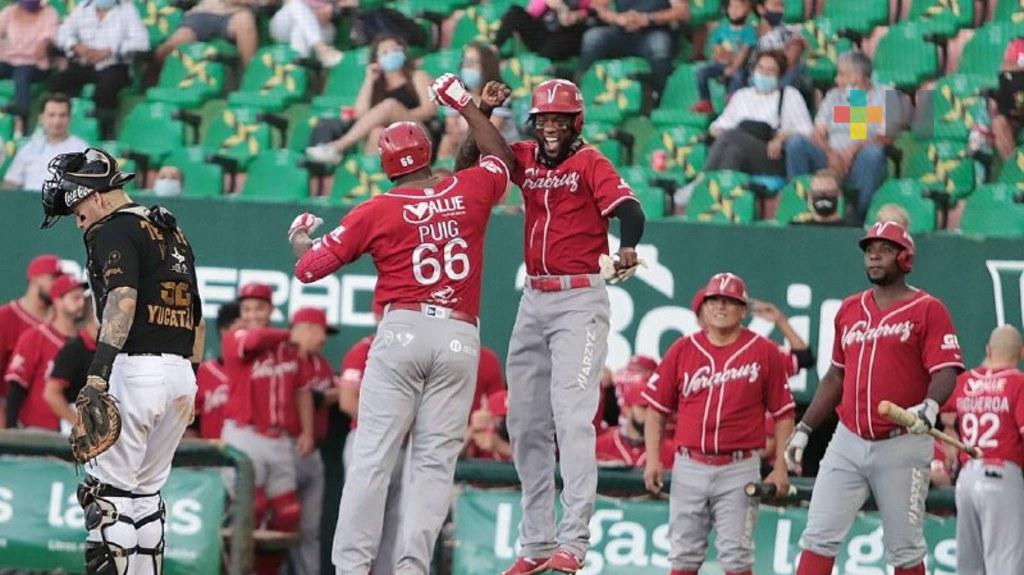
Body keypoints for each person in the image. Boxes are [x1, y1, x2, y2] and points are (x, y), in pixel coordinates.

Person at [288, 73, 515, 574]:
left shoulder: (378, 207)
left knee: (372, 456)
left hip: (404, 329)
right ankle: (412, 569)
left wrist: (300, 236)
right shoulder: (470, 188)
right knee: (433, 464)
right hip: (460, 336)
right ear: (429, 152)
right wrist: (467, 106)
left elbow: (308, 269)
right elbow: (502, 158)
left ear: (386, 164)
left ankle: (352, 568)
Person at [456, 78, 646, 575]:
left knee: (571, 416)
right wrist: (481, 111)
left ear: (576, 121)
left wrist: (627, 246)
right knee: (523, 422)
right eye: (544, 120)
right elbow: (468, 161)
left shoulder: (590, 161)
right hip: (535, 297)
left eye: (561, 119)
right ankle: (536, 543)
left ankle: (573, 542)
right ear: (534, 123)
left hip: (579, 298)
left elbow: (629, 208)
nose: (552, 127)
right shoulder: (526, 157)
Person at [40, 146, 204, 575]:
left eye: (77, 212)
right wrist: (191, 381)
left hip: (135, 367)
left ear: (94, 197)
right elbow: (198, 318)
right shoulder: (171, 230)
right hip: (181, 374)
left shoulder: (114, 229)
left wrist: (97, 374)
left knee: (107, 496)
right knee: (146, 497)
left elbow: (123, 299)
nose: (78, 222)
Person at [784, 221, 964, 575]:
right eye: (869, 250)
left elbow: (946, 369)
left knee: (905, 549)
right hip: (847, 439)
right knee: (818, 536)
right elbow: (836, 375)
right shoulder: (850, 309)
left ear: (905, 256)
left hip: (902, 441)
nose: (874, 255)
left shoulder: (928, 308)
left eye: (884, 248)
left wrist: (930, 405)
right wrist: (806, 426)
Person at [642, 272, 795, 575]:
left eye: (730, 301)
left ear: (743, 310)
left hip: (738, 467)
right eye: (714, 300)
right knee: (683, 556)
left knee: (737, 556)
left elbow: (784, 414)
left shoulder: (765, 351)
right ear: (704, 306)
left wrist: (781, 465)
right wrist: (654, 458)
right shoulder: (682, 349)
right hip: (689, 463)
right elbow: (656, 409)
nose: (720, 307)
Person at [221, 282, 314, 572]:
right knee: (253, 508)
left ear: (271, 309)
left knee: (288, 514)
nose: (252, 314)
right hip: (244, 436)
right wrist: (292, 334)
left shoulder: (288, 348)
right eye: (247, 308)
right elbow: (253, 341)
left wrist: (308, 431)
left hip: (280, 439)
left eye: (259, 308)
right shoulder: (235, 335)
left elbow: (302, 390)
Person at [784, 51, 904, 224]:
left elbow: (888, 137)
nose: (836, 80)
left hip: (861, 160)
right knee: (796, 144)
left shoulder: (890, 95)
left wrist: (854, 149)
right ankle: (799, 205)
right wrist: (831, 154)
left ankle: (857, 217)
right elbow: (817, 132)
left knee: (874, 153)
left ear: (856, 76)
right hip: (829, 158)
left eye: (841, 74)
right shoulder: (833, 96)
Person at [942, 324, 1024, 575]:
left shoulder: (964, 380)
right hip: (1001, 474)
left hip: (967, 478)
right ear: (1020, 353)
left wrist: (951, 449)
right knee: (1005, 565)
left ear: (988, 349)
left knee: (970, 566)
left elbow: (947, 423)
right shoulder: (1018, 382)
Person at [306, 34, 436, 164]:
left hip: (418, 134)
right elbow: (360, 114)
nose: (391, 54)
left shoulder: (418, 76)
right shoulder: (376, 85)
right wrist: (369, 80)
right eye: (385, 52)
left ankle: (338, 147)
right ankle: (373, 177)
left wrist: (392, 116)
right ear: (377, 60)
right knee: (376, 132)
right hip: (391, 138)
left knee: (390, 106)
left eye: (395, 49)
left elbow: (429, 110)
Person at [704, 50, 813, 176]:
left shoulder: (789, 95)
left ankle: (702, 180)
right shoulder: (742, 95)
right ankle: (722, 190)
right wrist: (717, 130)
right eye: (760, 68)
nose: (764, 74)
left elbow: (808, 130)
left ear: (779, 75)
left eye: (770, 70)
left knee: (732, 135)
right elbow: (719, 124)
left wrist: (781, 137)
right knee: (732, 152)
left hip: (771, 156)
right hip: (741, 151)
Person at [50, 0, 149, 138]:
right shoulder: (83, 7)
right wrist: (75, 46)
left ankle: (104, 133)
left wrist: (109, 51)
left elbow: (142, 42)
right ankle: (68, 128)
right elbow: (62, 34)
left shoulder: (128, 10)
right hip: (85, 63)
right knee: (59, 82)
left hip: (113, 65)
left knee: (105, 89)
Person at [288, 307, 337, 575]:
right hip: (285, 446)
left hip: (313, 451)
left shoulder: (320, 363)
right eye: (321, 331)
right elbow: (304, 396)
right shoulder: (284, 355)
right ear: (306, 327)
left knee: (309, 529)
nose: (324, 338)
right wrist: (332, 395)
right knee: (280, 525)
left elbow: (330, 392)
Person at [4, 274, 86, 430]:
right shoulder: (35, 337)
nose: (82, 303)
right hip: (37, 431)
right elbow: (17, 387)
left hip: (76, 435)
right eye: (75, 298)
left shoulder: (85, 342)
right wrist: (11, 430)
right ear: (58, 301)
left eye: (83, 298)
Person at [0, 253, 61, 427]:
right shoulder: (6, 318)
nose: (58, 284)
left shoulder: (62, 321)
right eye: (53, 278)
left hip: (52, 420)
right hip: (12, 416)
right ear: (35, 279)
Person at [580, 0, 689, 97]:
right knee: (592, 38)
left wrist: (647, 18)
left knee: (659, 46)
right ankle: (589, 92)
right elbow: (597, 5)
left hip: (653, 30)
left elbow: (683, 12)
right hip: (622, 31)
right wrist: (616, 18)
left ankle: (662, 98)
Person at [436, 42, 518, 160]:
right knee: (446, 141)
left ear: (486, 66)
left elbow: (490, 134)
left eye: (472, 63)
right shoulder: (456, 92)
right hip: (467, 146)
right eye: (465, 63)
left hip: (499, 151)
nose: (466, 68)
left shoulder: (499, 94)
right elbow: (452, 131)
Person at [2, 94, 89, 191]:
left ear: (70, 118)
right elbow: (10, 183)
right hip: (27, 203)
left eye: (62, 115)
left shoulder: (82, 150)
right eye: (51, 115)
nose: (57, 121)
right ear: (41, 118)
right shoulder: (29, 148)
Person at [43, 293, 98, 431]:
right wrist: (80, 424)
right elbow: (51, 393)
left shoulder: (114, 349)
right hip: (76, 428)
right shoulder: (75, 348)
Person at [692, 0, 757, 113]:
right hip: (721, 64)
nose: (734, 11)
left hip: (740, 66)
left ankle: (732, 100)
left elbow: (744, 52)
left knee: (738, 76)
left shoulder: (749, 31)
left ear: (747, 10)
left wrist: (733, 67)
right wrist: (719, 57)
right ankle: (705, 101)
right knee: (701, 72)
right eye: (731, 7)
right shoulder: (722, 29)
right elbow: (716, 49)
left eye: (738, 7)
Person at [0, 0, 59, 123]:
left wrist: (44, 45)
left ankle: (22, 112)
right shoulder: (10, 12)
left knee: (22, 74)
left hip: (35, 63)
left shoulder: (49, 14)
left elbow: (46, 42)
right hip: (10, 60)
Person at [156, 0, 260, 69]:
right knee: (174, 43)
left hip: (235, 15)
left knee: (245, 22)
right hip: (202, 14)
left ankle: (251, 79)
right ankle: (150, 74)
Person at [193, 302, 241, 440]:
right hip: (211, 455)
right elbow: (189, 426)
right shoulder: (203, 372)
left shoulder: (262, 371)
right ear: (224, 331)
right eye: (241, 329)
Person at [494, 0, 591, 60]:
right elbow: (532, 13)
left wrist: (563, 9)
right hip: (543, 35)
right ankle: (494, 48)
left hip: (565, 39)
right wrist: (546, 3)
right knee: (515, 12)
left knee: (571, 33)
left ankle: (540, 64)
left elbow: (587, 13)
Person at [269, 0, 348, 67]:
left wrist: (333, 9)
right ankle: (321, 49)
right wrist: (310, 14)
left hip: (322, 27)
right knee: (296, 3)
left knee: (300, 30)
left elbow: (351, 2)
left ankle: (298, 71)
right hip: (286, 24)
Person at [595, 381, 648, 468]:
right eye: (644, 407)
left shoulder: (670, 452)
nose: (651, 414)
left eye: (654, 408)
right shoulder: (600, 447)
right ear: (626, 409)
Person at [991, 37, 1024, 161]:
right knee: (999, 123)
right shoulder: (1017, 44)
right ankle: (1016, 170)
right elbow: (1005, 69)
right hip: (1017, 106)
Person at [788, 168, 858, 227]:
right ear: (810, 195)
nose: (822, 196)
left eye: (828, 193)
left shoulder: (852, 230)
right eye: (817, 193)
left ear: (839, 194)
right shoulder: (795, 228)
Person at [464, 389, 513, 461]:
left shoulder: (525, 439)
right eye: (502, 418)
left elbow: (531, 459)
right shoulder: (481, 435)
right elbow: (452, 456)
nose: (507, 424)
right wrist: (472, 429)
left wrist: (502, 447)